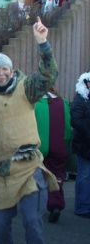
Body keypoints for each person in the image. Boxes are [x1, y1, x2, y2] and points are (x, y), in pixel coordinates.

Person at [0, 17, 60, 243]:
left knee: (32, 222)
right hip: (0, 172)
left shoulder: (26, 88)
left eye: (5, 68)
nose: (1, 73)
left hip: (28, 168)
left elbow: (49, 75)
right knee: (0, 227)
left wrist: (43, 43)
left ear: (11, 70)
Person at [35, 85, 72, 223]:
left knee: (38, 177)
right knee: (56, 176)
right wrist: (65, 143)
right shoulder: (63, 102)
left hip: (39, 147)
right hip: (59, 146)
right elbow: (68, 128)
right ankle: (55, 204)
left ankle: (38, 206)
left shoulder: (35, 104)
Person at [70, 71, 90, 219]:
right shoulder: (80, 99)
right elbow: (75, 120)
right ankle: (82, 207)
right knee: (84, 175)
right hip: (84, 144)